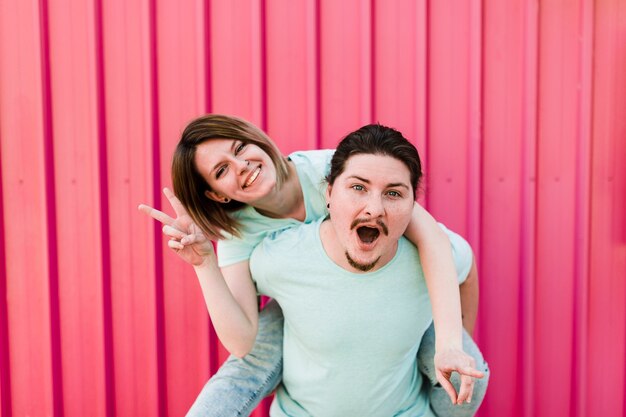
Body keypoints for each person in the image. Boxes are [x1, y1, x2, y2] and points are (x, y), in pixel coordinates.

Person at [139, 115, 489, 415]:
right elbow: (244, 341)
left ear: (255, 140)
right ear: (217, 195)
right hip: (298, 301)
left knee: (462, 367)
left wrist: (449, 340)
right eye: (222, 170)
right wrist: (204, 264)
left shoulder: (329, 169)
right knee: (241, 375)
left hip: (380, 280)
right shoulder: (240, 233)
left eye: (239, 148)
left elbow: (431, 238)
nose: (241, 166)